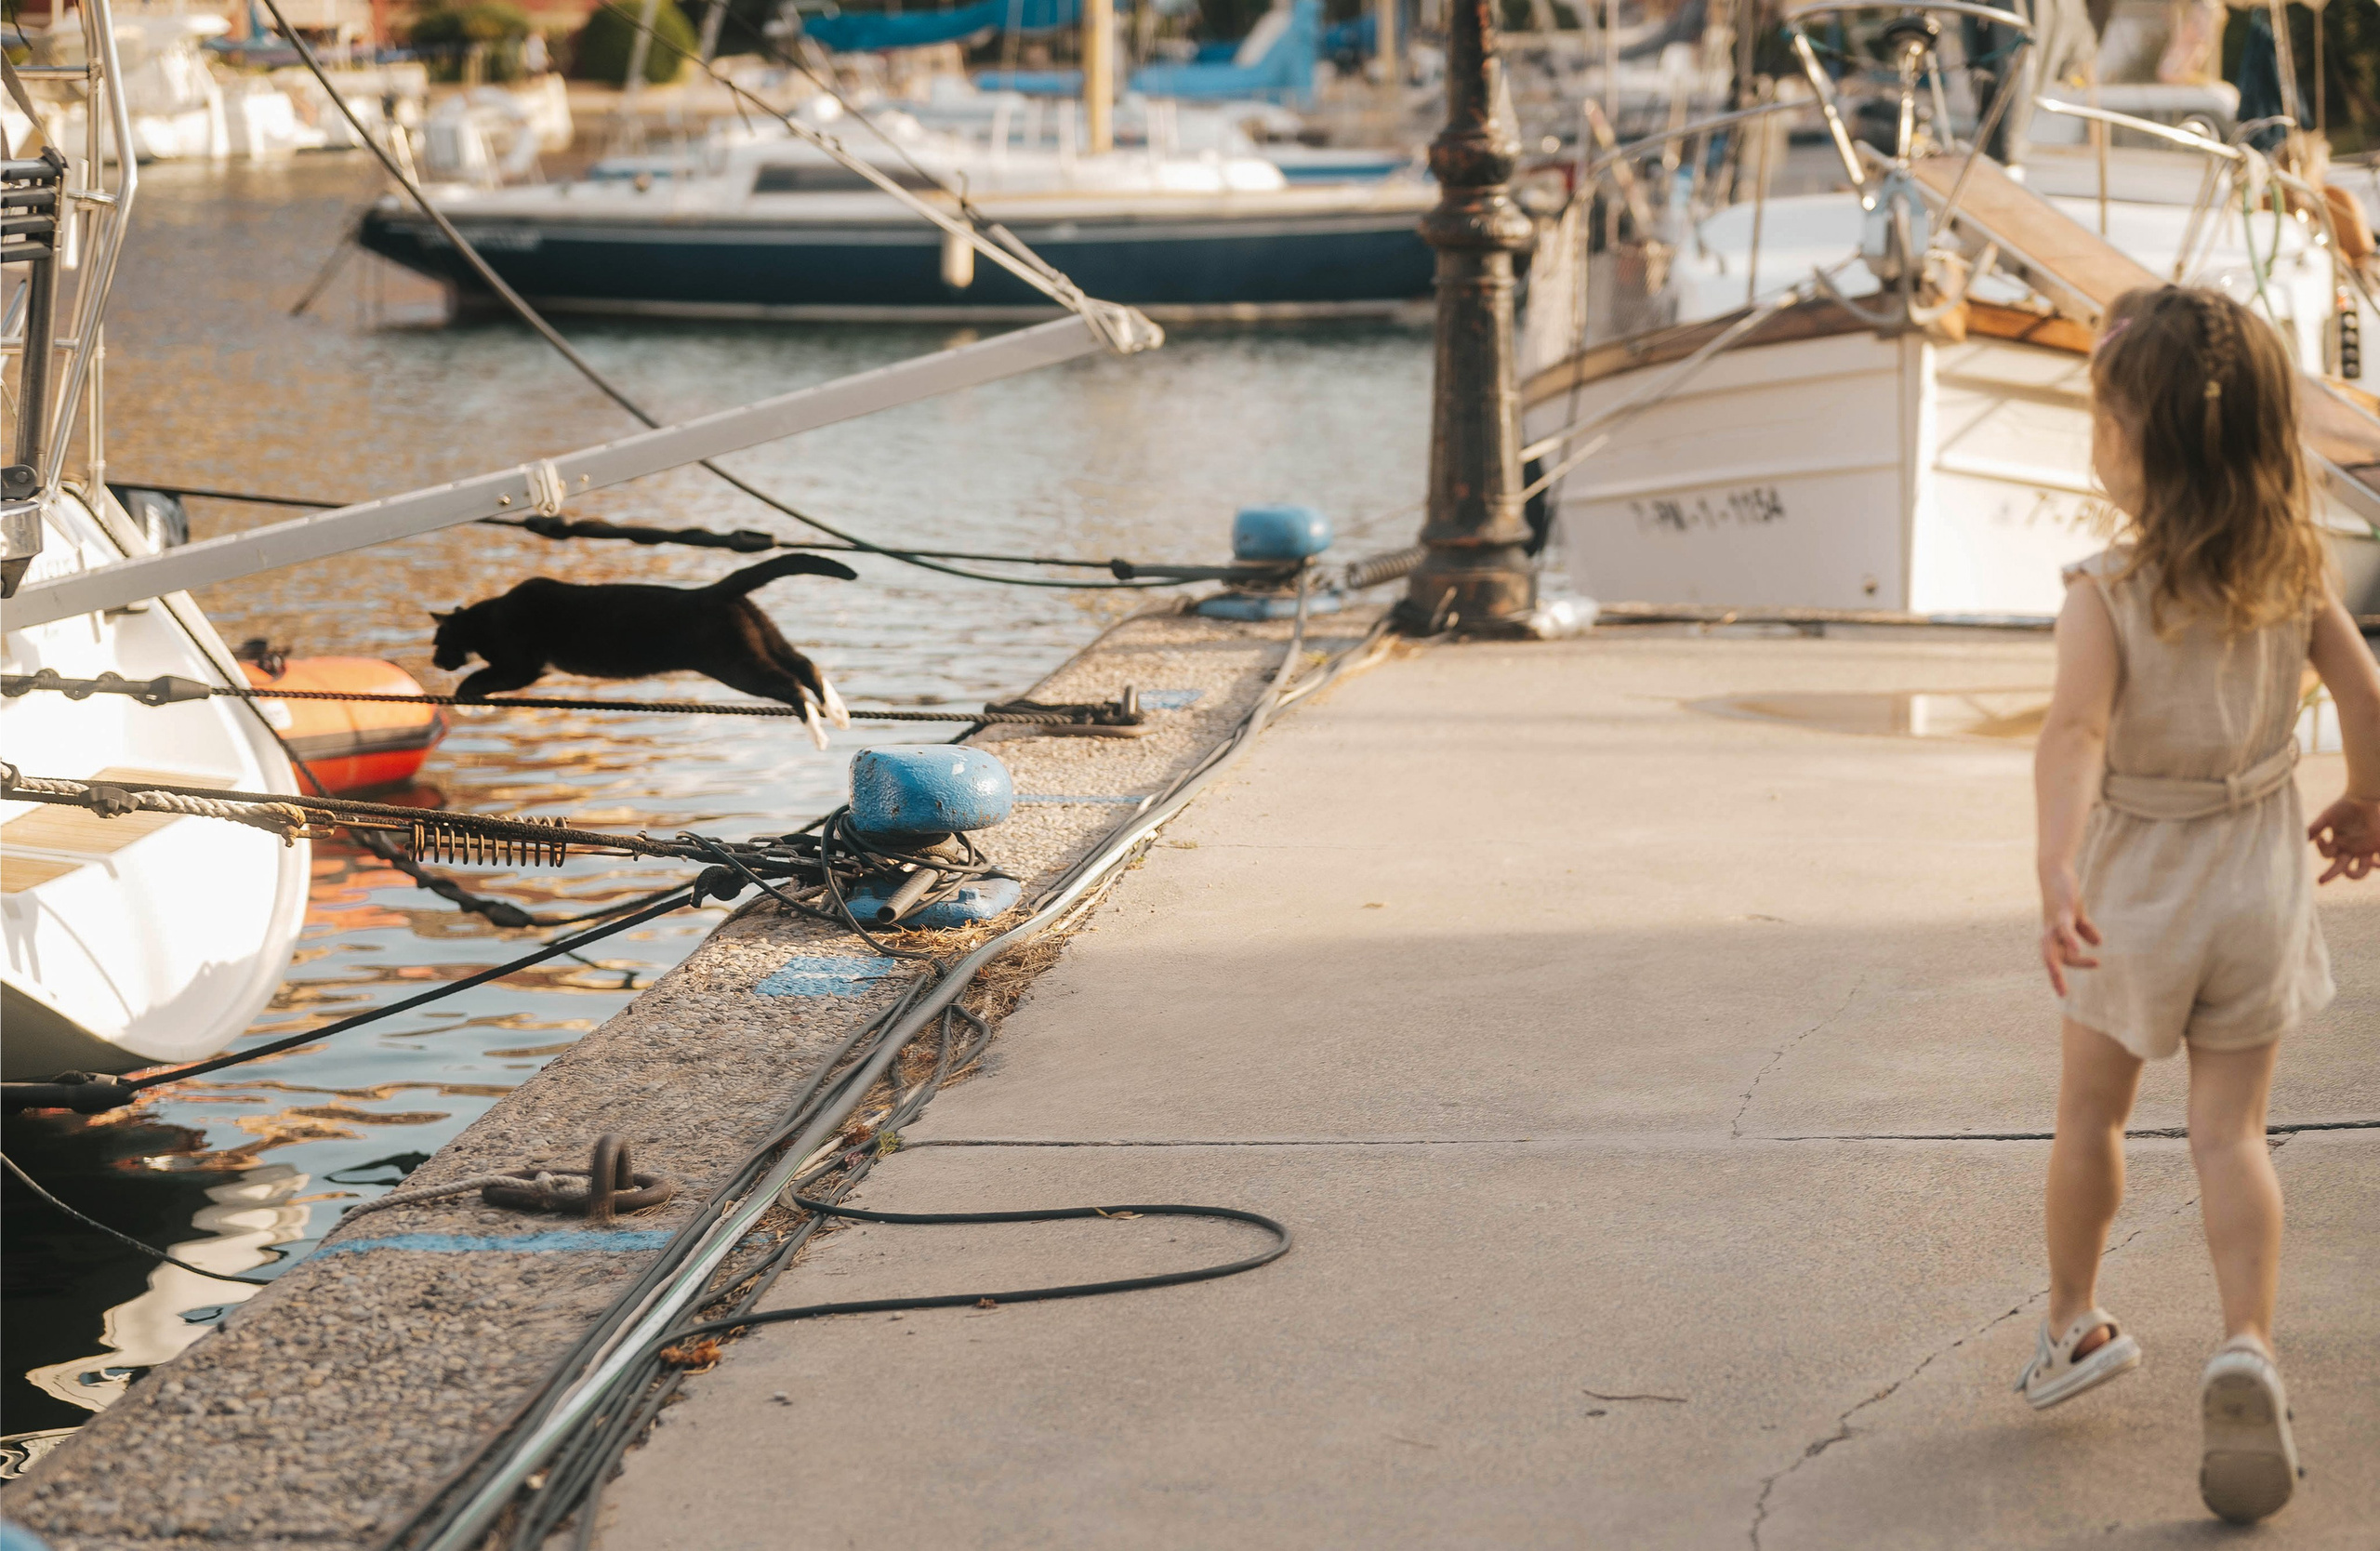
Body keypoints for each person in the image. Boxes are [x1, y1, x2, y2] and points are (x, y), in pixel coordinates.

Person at [2021, 285, 2380, 1523]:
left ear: (2127, 441)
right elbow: (2364, 688)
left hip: (2139, 883)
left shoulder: (2103, 587)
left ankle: (2074, 1324)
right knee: (2231, 1137)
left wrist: (2058, 866)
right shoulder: (2296, 571)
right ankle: (2247, 1345)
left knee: (2092, 1117)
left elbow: (2073, 733)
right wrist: (2367, 798)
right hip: (2260, 877)